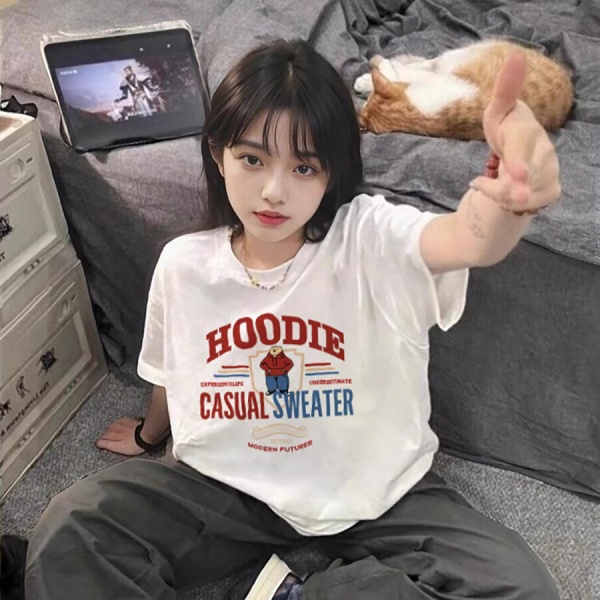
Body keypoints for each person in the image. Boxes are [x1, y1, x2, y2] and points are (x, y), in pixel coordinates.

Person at [23, 39, 561, 600]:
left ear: (330, 173)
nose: (274, 192)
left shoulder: (369, 239)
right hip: (229, 486)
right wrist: (147, 433)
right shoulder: (185, 265)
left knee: (519, 588)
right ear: (218, 154)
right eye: (253, 159)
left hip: (375, 490)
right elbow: (173, 373)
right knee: (72, 529)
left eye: (304, 167)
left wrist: (508, 203)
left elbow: (466, 239)